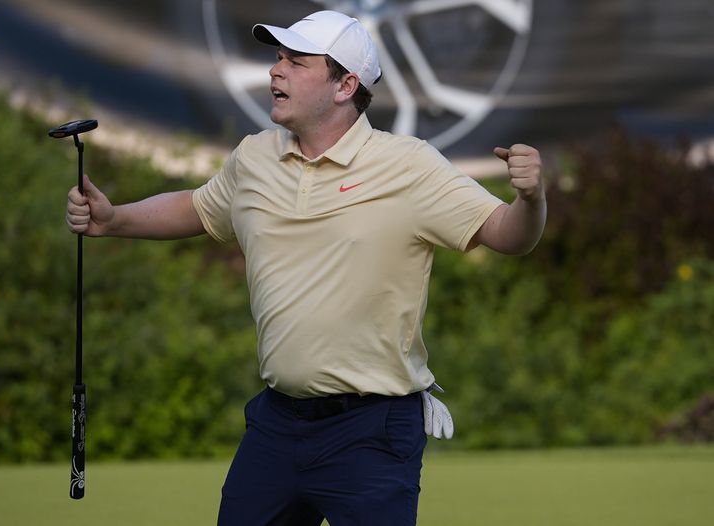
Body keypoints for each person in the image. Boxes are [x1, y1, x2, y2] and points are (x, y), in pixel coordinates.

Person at [65, 10, 545, 525]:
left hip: (371, 432)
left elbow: (506, 235)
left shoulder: (409, 164)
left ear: (345, 85)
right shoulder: (254, 158)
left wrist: (531, 198)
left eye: (296, 61)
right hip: (277, 425)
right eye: (277, 58)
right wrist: (114, 220)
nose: (277, 71)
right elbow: (198, 208)